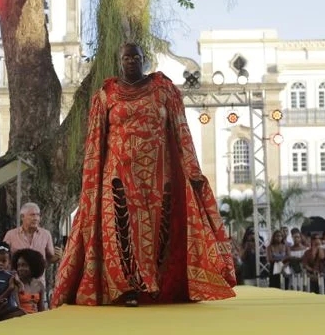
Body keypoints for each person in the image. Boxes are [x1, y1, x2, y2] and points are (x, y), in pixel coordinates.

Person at [51, 42, 236, 307]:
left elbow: (181, 131)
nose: (131, 62)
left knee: (157, 231)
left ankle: (154, 286)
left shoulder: (164, 90)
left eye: (135, 57)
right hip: (117, 176)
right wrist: (92, 180)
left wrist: (190, 169)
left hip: (158, 177)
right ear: (119, 60)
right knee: (120, 231)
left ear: (143, 60)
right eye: (126, 57)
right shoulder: (106, 94)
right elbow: (95, 141)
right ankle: (126, 288)